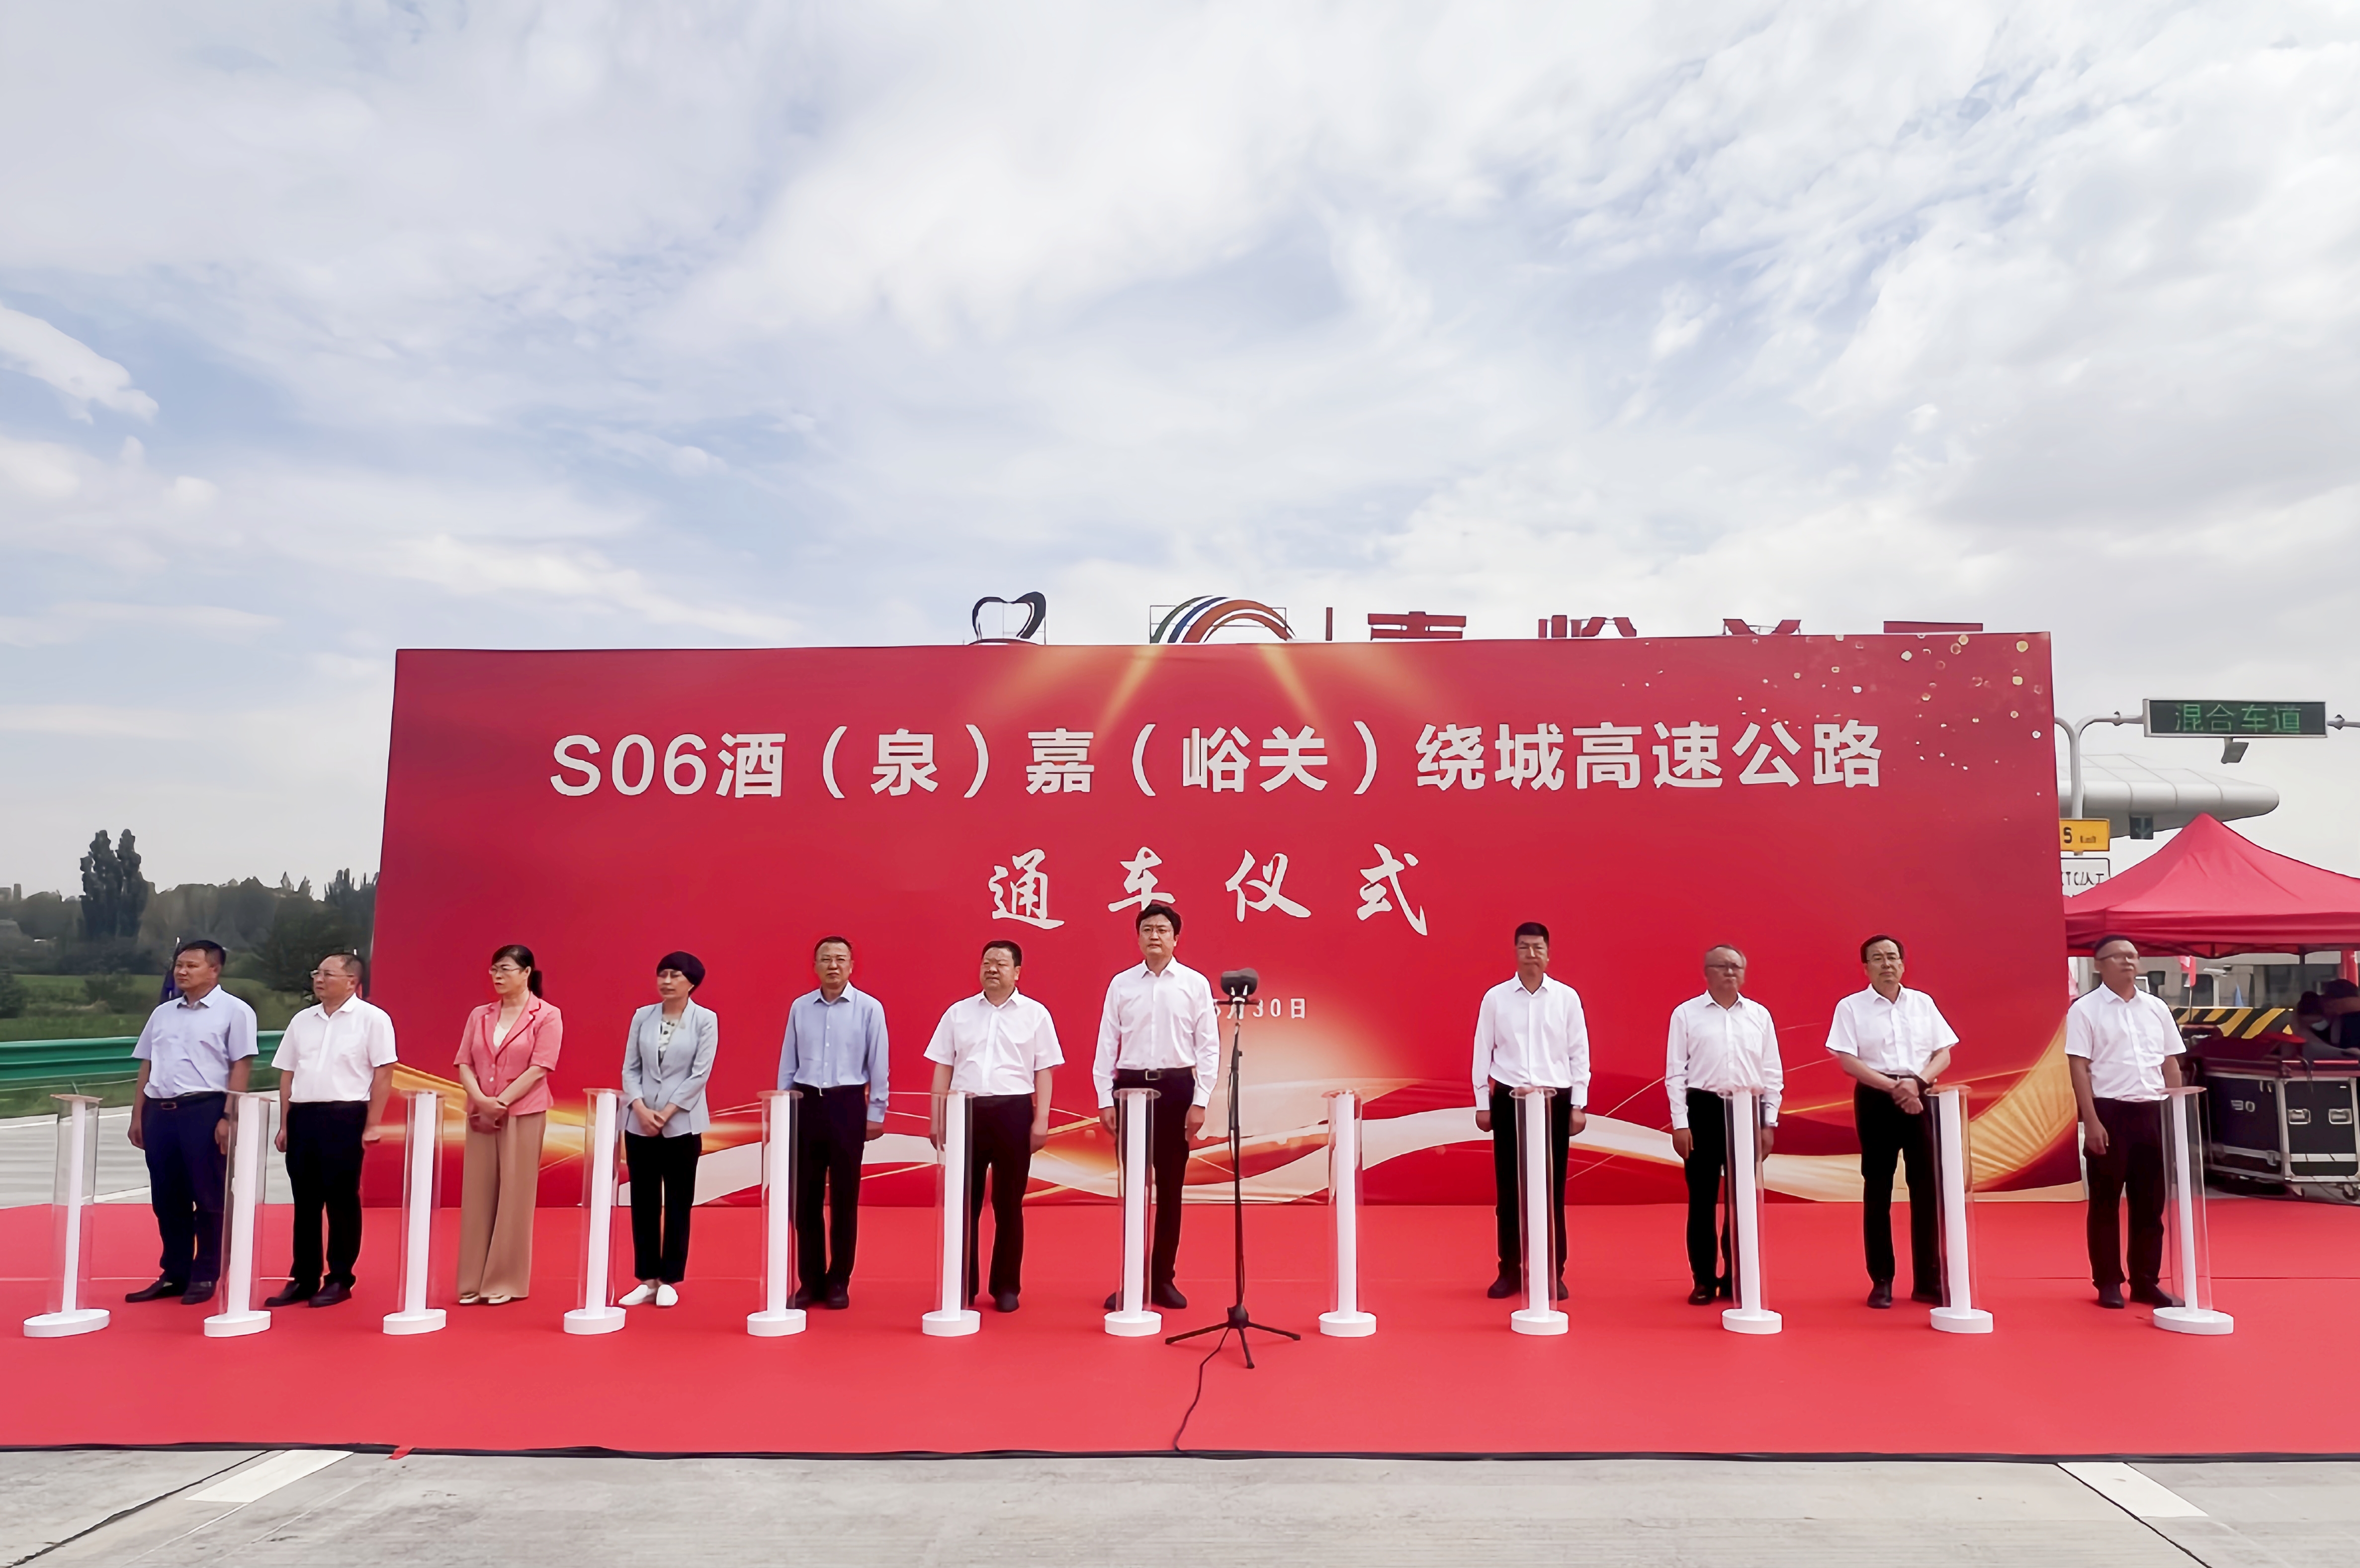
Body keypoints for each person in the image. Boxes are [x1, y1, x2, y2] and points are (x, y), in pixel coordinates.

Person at [926, 939, 1061, 1312]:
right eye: (987, 962)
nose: (992, 969)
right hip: (965, 1110)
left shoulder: (1035, 1014)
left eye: (1001, 963)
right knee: (963, 1203)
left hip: (1014, 1111)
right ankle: (962, 1285)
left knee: (1008, 1203)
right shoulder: (958, 1013)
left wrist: (1042, 1119)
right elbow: (943, 1066)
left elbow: (1044, 1070)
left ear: (1017, 972)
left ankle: (1006, 1287)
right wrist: (937, 1116)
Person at [1093, 902, 1216, 1311]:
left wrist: (1200, 1101)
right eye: (1147, 929)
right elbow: (1107, 1042)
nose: (1154, 936)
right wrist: (1104, 1097)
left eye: (1162, 930)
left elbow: (1208, 1047)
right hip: (1129, 1089)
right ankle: (1131, 1281)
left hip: (1176, 1089)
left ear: (1175, 938)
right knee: (1133, 1190)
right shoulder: (1122, 984)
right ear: (1138, 937)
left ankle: (1163, 1278)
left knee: (1170, 1188)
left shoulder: (1194, 984)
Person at [1826, 934, 1959, 1309]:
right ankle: (1881, 1279)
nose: (1886, 964)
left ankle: (1928, 1280)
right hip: (1876, 1099)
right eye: (1877, 958)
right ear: (1865, 967)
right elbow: (1848, 1060)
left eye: (1892, 957)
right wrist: (1894, 1087)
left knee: (1927, 1189)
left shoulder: (1923, 1003)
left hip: (1921, 1095)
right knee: (1878, 1188)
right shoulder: (1851, 1007)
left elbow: (1943, 1054)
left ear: (1902, 963)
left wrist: (1915, 1084)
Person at [124, 941, 258, 1306]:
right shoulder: (163, 1013)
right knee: (167, 1197)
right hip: (160, 1111)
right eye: (179, 965)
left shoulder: (235, 1011)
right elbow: (148, 1063)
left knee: (209, 1195)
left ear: (214, 970)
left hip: (205, 1108)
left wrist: (229, 1116)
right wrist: (138, 1114)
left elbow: (241, 1065)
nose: (182, 972)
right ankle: (175, 1272)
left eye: (192, 966)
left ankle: (208, 1271)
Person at [265, 952, 396, 1308]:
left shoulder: (372, 1019)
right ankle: (304, 1277)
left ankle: (340, 1277)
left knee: (341, 1199)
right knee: (305, 1201)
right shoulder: (302, 1020)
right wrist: (285, 1123)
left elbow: (384, 1073)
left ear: (352, 981)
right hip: (303, 1115)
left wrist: (373, 1123)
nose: (319, 980)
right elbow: (288, 1073)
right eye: (317, 974)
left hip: (345, 1115)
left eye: (327, 974)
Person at [1471, 921, 1589, 1301]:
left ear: (1548, 954)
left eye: (1538, 948)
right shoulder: (1496, 998)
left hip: (1555, 1101)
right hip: (1509, 1099)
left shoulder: (1566, 998)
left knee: (1552, 1189)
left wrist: (1579, 1103)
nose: (1531, 954)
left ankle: (1552, 1271)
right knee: (1509, 1189)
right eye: (1524, 947)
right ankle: (1509, 1269)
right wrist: (1482, 1103)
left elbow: (1579, 1053)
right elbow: (1482, 1051)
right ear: (1515, 952)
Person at [2068, 935, 2187, 1310]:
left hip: (2152, 1110)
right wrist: (2090, 1121)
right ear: (2099, 964)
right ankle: (2108, 1281)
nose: (2127, 962)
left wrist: (2177, 1114)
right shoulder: (2085, 1010)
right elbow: (2078, 1068)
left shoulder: (2155, 1008)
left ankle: (2146, 1281)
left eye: (2132, 955)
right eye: (2118, 956)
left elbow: (2170, 1062)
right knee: (2105, 1202)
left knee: (2150, 1204)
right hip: (2109, 1112)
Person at [1665, 945, 1783, 1305]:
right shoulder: (1686, 1014)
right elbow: (1675, 1073)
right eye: (1722, 966)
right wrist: (1680, 1123)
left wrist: (1768, 1122)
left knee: (1742, 1201)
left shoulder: (1759, 1015)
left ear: (1744, 973)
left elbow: (1772, 1073)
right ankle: (1703, 1279)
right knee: (1702, 1201)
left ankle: (1737, 1277)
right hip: (1703, 1109)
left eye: (1736, 967)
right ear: (1707, 972)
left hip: (1747, 1110)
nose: (1730, 972)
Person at [778, 935, 888, 1309]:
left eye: (840, 959)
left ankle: (839, 1279)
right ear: (815, 966)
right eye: (826, 959)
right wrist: (784, 1109)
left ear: (852, 966)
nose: (833, 966)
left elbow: (879, 1065)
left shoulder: (869, 1008)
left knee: (844, 1197)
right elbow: (788, 1063)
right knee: (805, 1199)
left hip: (847, 1105)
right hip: (806, 1104)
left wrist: (876, 1112)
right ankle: (809, 1281)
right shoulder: (800, 1007)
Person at [453, 944, 563, 1305]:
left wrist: (501, 1102)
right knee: (478, 1194)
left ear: (526, 972)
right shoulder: (480, 1015)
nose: (498, 976)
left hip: (523, 1113)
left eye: (505, 969)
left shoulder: (547, 1015)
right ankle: (472, 1280)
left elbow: (541, 1067)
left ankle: (504, 1281)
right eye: (494, 970)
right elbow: (464, 1062)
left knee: (515, 1195)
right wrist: (481, 1100)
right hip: (481, 1113)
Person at [619, 952, 718, 1308]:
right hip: (640, 1122)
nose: (666, 981)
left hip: (681, 1124)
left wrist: (667, 1112)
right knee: (643, 1201)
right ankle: (646, 1278)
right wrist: (639, 1107)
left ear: (691, 982)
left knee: (678, 1201)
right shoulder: (642, 1016)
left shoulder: (705, 1020)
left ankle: (670, 1279)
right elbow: (630, 1068)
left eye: (675, 975)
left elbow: (700, 1074)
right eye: (662, 974)